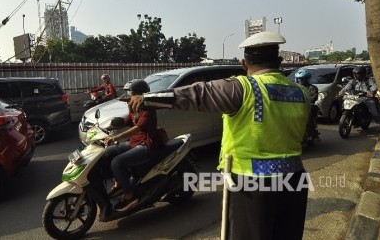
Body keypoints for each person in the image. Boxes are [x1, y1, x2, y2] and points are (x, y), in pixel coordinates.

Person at [128, 31, 310, 239]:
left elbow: (198, 94)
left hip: (253, 184)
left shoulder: (243, 88)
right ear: (279, 61)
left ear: (244, 64)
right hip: (295, 180)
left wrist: (149, 99)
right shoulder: (300, 92)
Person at [102, 79, 160, 212]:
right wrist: (108, 127)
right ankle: (119, 184)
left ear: (139, 93)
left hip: (146, 144)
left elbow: (138, 128)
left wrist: (116, 137)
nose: (129, 95)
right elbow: (127, 121)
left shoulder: (147, 106)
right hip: (135, 141)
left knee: (117, 162)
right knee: (109, 152)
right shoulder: (133, 105)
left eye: (131, 92)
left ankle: (130, 195)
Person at [340, 66, 380, 131]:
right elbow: (347, 87)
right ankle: (354, 121)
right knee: (346, 105)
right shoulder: (353, 81)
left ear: (363, 74)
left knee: (374, 113)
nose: (357, 75)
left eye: (359, 74)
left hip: (367, 98)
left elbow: (374, 86)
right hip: (356, 98)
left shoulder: (369, 80)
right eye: (356, 74)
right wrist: (342, 91)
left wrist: (371, 92)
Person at [294, 68, 320, 141]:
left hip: (309, 106)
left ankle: (313, 134)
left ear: (307, 79)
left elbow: (314, 98)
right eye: (299, 79)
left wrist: (305, 101)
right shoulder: (294, 88)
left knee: (309, 117)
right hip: (297, 106)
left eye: (302, 79)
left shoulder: (313, 88)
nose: (300, 81)